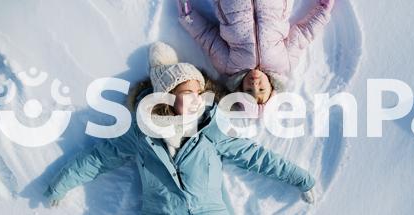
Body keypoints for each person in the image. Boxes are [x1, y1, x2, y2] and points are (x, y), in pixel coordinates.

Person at [43, 42, 316, 214]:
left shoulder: (212, 130)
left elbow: (256, 157)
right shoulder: (142, 134)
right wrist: (60, 184)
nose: (196, 100)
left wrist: (301, 178)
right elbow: (98, 158)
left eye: (199, 93)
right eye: (187, 93)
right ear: (167, 96)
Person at [177, 0, 335, 106]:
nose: (254, 85)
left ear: (240, 89)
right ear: (272, 88)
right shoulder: (284, 63)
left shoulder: (228, 66)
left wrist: (188, 17)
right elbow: (303, 34)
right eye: (261, 90)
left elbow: (207, 37)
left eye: (248, 90)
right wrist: (323, 11)